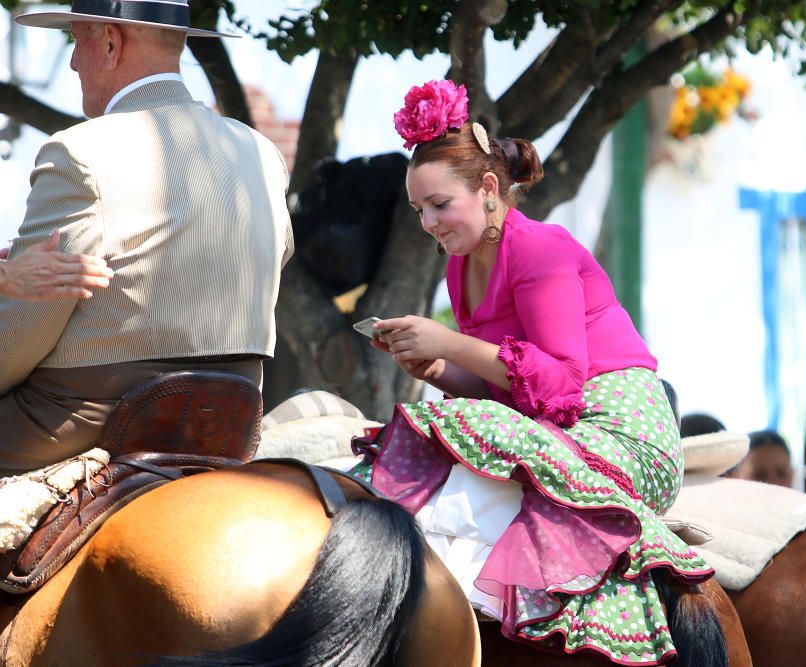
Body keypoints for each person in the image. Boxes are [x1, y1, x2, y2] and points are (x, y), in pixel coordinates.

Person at [351, 79, 711, 665]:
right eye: (420, 210)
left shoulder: (541, 248)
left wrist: (451, 344)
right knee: (440, 422)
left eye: (440, 205)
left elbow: (563, 387)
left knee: (438, 436)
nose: (429, 224)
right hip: (558, 428)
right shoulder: (460, 269)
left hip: (622, 434)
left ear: (489, 188)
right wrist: (438, 365)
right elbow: (510, 392)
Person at [1, 0, 293, 474]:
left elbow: (26, 326)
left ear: (111, 42)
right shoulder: (260, 151)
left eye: (77, 38)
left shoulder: (78, 151)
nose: (73, 61)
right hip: (230, 419)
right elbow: (273, 261)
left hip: (94, 417)